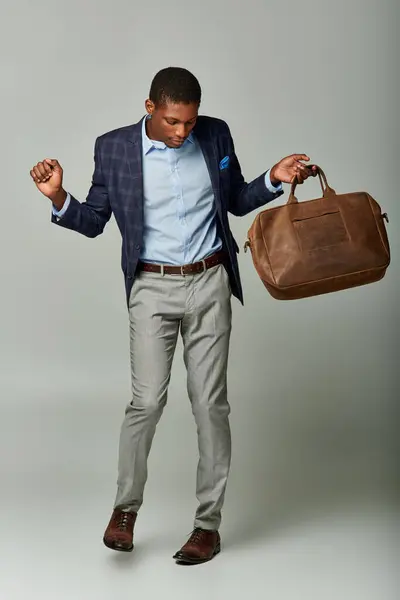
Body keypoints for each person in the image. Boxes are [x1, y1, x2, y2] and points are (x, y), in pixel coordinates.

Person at [30, 66, 316, 565]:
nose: (182, 132)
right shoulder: (114, 147)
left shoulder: (215, 133)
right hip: (150, 286)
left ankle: (207, 526)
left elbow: (235, 201)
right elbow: (96, 222)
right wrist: (58, 197)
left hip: (209, 282)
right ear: (150, 109)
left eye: (189, 122)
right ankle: (124, 511)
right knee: (146, 403)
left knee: (210, 406)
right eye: (171, 122)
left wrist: (274, 178)